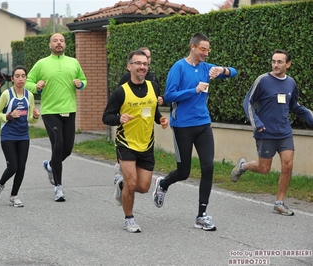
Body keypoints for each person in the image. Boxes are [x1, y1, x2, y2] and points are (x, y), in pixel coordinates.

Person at [152, 33, 237, 231]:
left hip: (203, 123)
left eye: (208, 50)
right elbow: (169, 96)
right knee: (184, 172)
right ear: (193, 47)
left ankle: (201, 215)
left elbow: (234, 72)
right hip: (182, 125)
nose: (206, 53)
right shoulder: (178, 67)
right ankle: (163, 183)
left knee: (208, 167)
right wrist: (194, 90)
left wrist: (222, 70)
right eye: (203, 49)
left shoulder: (207, 68)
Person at [231, 49, 313, 216]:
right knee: (264, 168)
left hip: (284, 132)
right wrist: (257, 123)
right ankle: (243, 166)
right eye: (273, 61)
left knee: (288, 165)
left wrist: (310, 116)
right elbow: (247, 101)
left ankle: (279, 203)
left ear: (288, 64)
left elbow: (294, 106)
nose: (275, 65)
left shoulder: (291, 83)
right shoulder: (262, 80)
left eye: (280, 62)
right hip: (265, 132)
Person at [102, 50, 168, 233]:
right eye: (138, 63)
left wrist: (160, 120)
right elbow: (106, 117)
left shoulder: (153, 87)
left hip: (146, 143)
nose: (142, 67)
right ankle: (129, 218)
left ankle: (121, 185)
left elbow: (152, 112)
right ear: (129, 66)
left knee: (143, 187)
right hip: (126, 142)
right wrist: (118, 119)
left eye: (145, 64)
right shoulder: (120, 92)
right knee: (132, 183)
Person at [25, 33, 87, 202]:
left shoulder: (73, 62)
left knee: (67, 149)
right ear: (49, 45)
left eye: (61, 41)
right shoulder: (41, 64)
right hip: (50, 111)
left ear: (65, 44)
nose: (59, 43)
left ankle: (51, 165)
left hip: (69, 110)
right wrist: (36, 86)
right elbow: (28, 82)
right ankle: (58, 188)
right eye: (55, 41)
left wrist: (81, 84)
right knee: (58, 145)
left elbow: (83, 80)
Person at [0, 66, 40, 207]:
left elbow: (29, 118)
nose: (20, 79)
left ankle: (14, 196)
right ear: (12, 79)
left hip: (23, 135)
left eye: (23, 76)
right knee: (13, 166)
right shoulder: (7, 94)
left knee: (21, 167)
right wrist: (9, 116)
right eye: (17, 76)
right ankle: (0, 184)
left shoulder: (29, 95)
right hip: (8, 135)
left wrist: (35, 117)